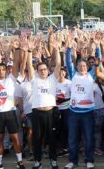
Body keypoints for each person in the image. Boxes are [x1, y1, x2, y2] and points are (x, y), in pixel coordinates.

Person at [0, 40, 25, 169]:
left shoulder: (11, 79)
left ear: (6, 71)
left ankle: (20, 162)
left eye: (3, 69)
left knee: (15, 138)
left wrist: (17, 49)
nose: (1, 71)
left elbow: (17, 63)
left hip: (10, 112)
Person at [25, 34, 61, 169]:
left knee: (52, 138)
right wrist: (29, 51)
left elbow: (58, 64)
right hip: (37, 113)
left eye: (45, 69)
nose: (43, 71)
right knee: (37, 138)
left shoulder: (52, 79)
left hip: (51, 112)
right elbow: (29, 64)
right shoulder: (34, 80)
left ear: (47, 70)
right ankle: (38, 161)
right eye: (40, 70)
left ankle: (53, 160)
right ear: (37, 71)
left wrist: (56, 49)